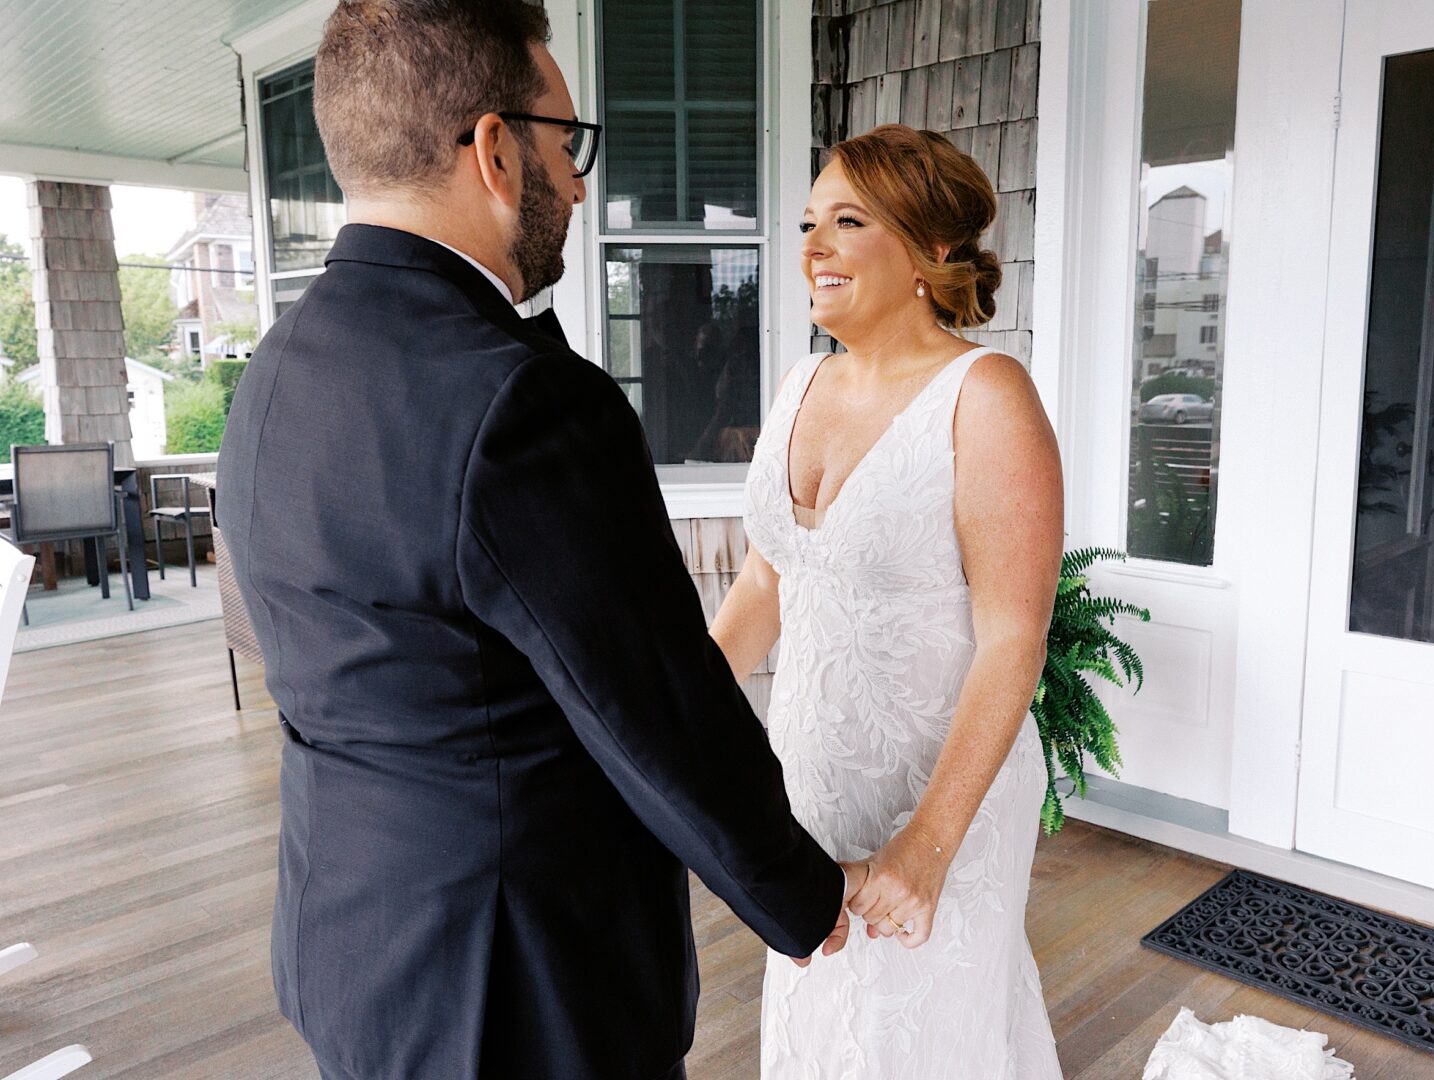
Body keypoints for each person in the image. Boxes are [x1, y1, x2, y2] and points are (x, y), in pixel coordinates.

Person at [215, 3, 858, 1077]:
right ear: (496, 150)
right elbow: (653, 709)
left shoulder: (275, 368)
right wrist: (806, 896)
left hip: (347, 940)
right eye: (570, 145)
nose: (581, 182)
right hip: (516, 987)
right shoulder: (522, 402)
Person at [709, 124, 1067, 1078]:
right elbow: (767, 578)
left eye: (848, 221)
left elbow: (1012, 638)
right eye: (807, 223)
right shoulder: (801, 384)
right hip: (813, 787)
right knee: (822, 1019)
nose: (811, 247)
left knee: (923, 1034)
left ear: (932, 251)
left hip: (941, 795)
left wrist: (928, 843)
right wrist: (675, 717)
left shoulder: (985, 397)